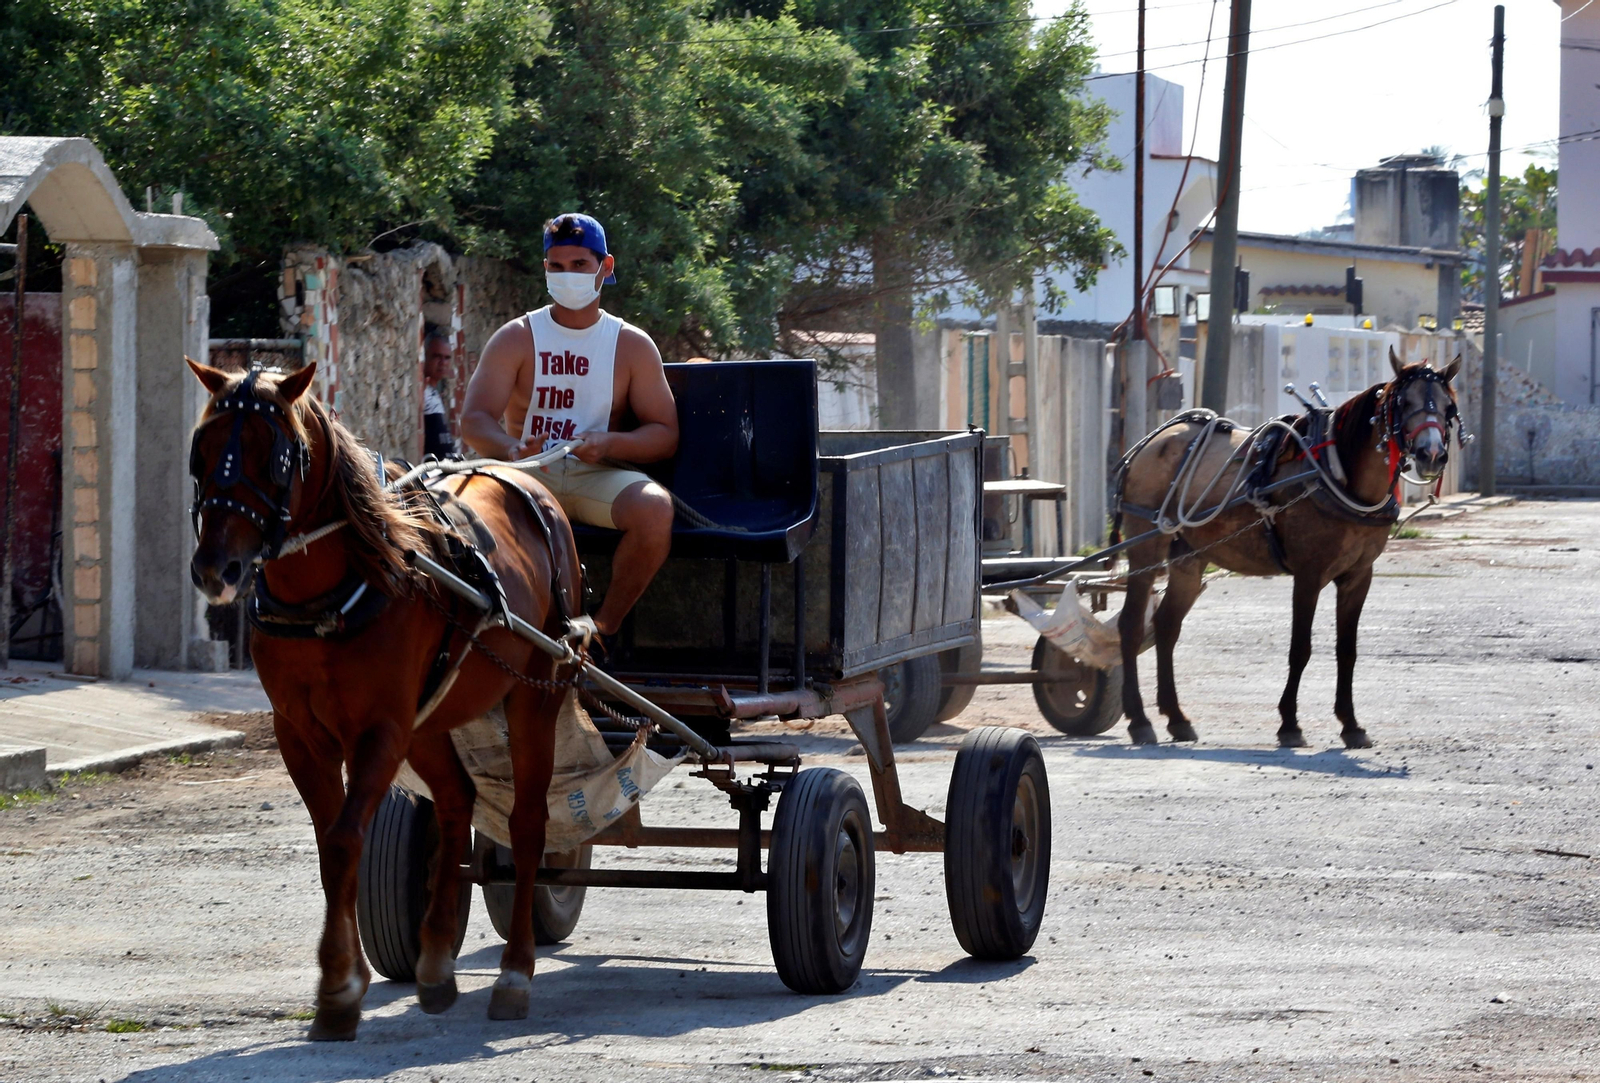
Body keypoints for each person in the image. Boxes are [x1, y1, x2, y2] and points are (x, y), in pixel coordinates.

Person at [460, 212, 678, 637]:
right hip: (523, 475)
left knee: (655, 510)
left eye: (580, 265)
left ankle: (599, 629)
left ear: (605, 267)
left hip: (594, 476)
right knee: (454, 512)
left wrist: (610, 443)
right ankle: (483, 633)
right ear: (545, 269)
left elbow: (665, 434)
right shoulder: (516, 336)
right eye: (557, 266)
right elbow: (474, 420)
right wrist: (510, 449)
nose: (568, 276)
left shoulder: (630, 345)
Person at [422, 327, 457, 459]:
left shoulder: (434, 393)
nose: (442, 363)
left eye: (447, 358)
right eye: (437, 356)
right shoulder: (422, 392)